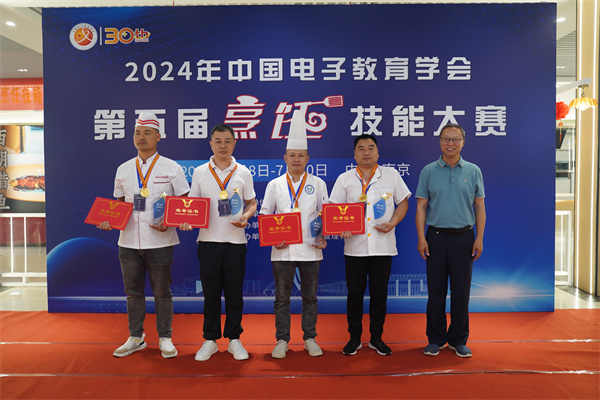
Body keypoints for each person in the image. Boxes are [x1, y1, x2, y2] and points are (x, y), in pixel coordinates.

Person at [98, 111, 190, 359]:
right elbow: (119, 204)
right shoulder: (124, 169)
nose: (141, 137)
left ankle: (165, 337)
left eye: (147, 133)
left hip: (160, 241)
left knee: (162, 292)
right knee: (133, 293)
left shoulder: (171, 167)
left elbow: (184, 203)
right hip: (128, 242)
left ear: (158, 137)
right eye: (137, 133)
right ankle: (136, 337)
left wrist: (171, 222)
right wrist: (109, 221)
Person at [329, 133, 411, 356]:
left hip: (383, 247)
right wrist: (341, 227)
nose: (366, 152)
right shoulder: (345, 179)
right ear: (355, 154)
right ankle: (354, 338)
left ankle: (376, 338)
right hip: (354, 248)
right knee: (354, 296)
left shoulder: (391, 175)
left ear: (377, 152)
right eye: (361, 148)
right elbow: (333, 210)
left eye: (370, 148)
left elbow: (403, 202)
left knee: (379, 296)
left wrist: (393, 222)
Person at [180, 124, 256, 361]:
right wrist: (186, 221)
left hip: (236, 242)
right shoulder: (200, 172)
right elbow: (192, 205)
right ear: (211, 144)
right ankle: (210, 340)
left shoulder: (243, 172)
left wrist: (246, 216)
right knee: (210, 294)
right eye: (218, 141)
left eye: (227, 141)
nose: (223, 145)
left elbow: (252, 202)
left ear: (234, 143)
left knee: (234, 294)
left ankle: (234, 339)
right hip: (207, 242)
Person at [259, 110, 328, 359]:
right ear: (285, 158)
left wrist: (323, 236)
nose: (296, 159)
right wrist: (271, 237)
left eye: (300, 155)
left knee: (310, 298)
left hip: (311, 249)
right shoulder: (275, 184)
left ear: (308, 158)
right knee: (281, 299)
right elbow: (265, 214)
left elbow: (325, 214)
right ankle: (282, 340)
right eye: (292, 155)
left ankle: (310, 338)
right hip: (282, 250)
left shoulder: (318, 183)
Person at [415, 123, 486, 358]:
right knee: (435, 292)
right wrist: (421, 238)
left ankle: (458, 339)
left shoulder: (473, 171)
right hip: (435, 238)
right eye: (446, 139)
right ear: (440, 142)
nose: (451, 143)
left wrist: (479, 238)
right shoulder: (428, 171)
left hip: (464, 238)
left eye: (456, 139)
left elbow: (479, 206)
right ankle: (435, 339)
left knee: (461, 292)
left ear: (463, 142)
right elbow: (421, 207)